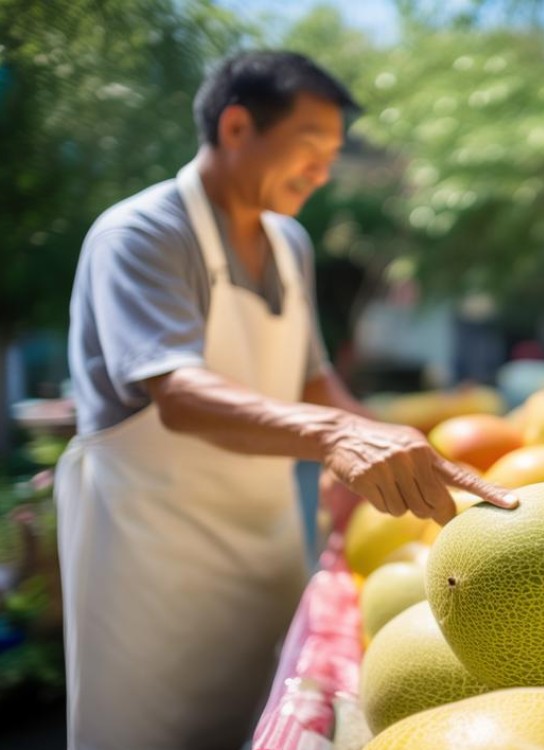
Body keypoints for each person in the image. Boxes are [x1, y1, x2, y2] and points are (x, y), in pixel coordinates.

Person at [54, 51, 517, 749]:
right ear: (237, 127)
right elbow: (178, 393)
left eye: (332, 154)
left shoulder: (289, 242)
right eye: (309, 148)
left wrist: (419, 457)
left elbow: (312, 383)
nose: (323, 173)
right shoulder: (142, 234)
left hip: (265, 545)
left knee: (259, 716)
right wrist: (335, 435)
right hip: (151, 562)